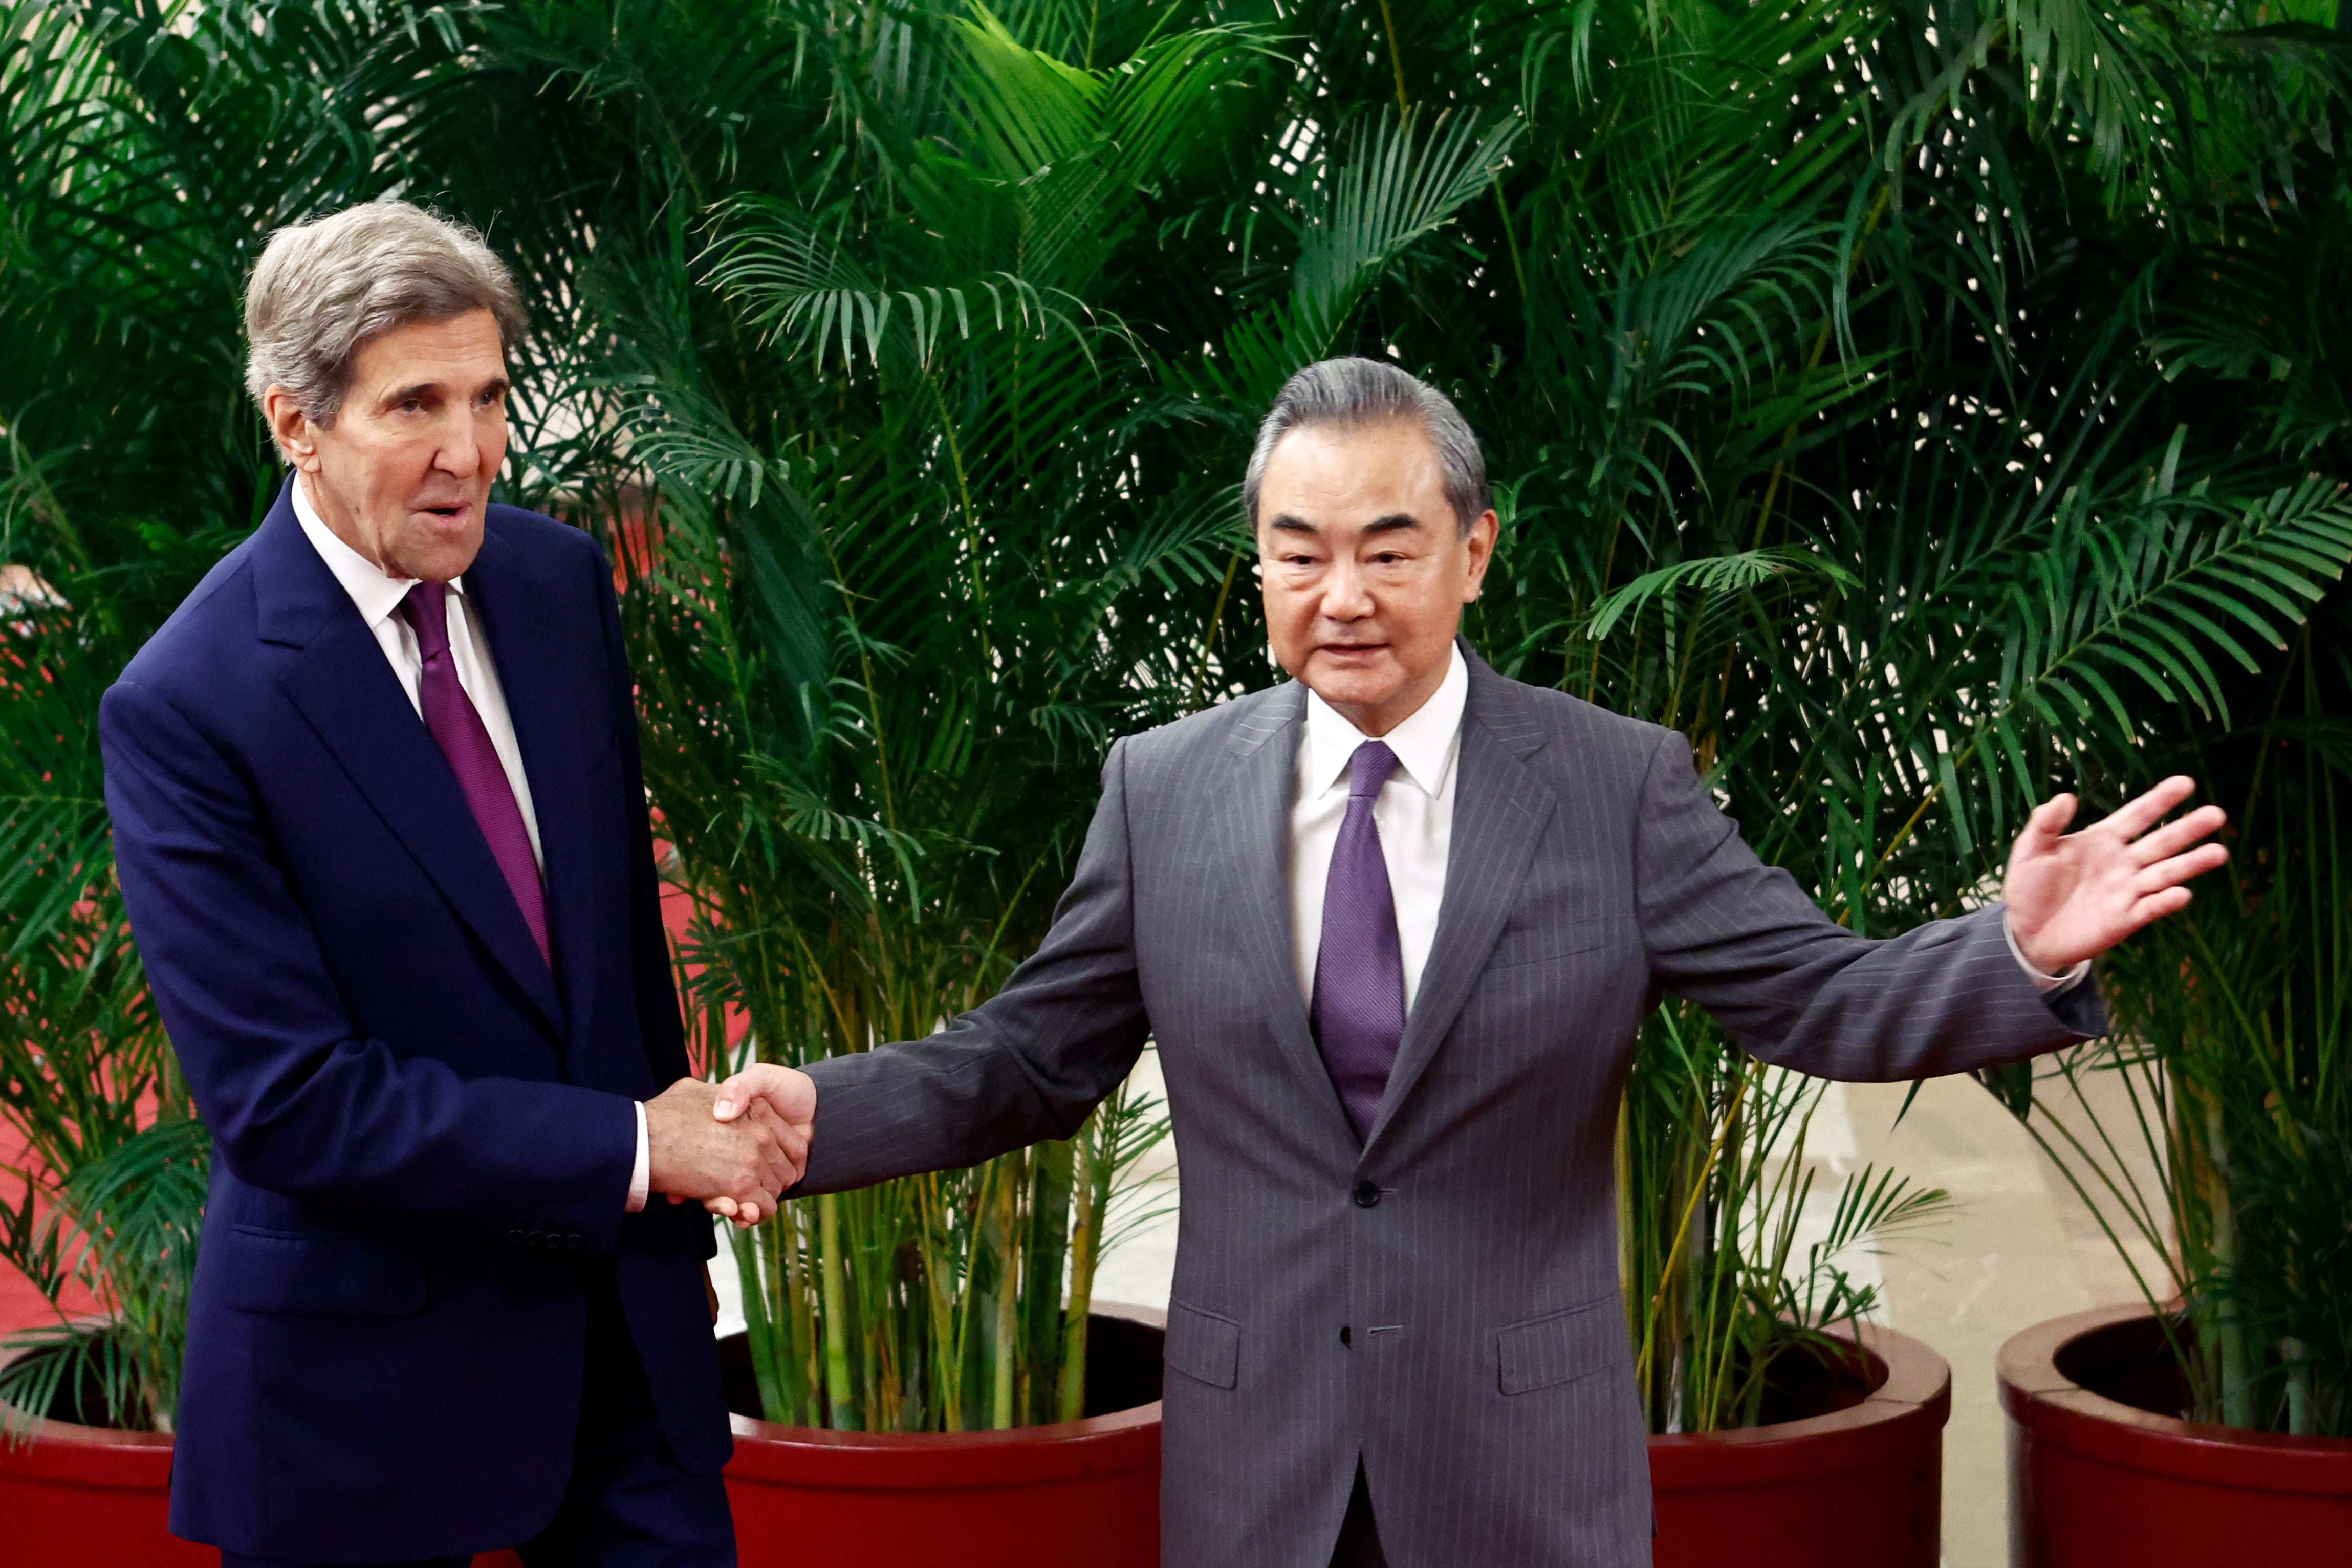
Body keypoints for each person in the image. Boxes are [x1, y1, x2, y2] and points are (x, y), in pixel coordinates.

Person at [716, 356, 2228, 1567]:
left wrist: (2013, 945)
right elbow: (1032, 1058)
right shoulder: (1160, 788)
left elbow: (1810, 995)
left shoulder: (1610, 784)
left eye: (1389, 547)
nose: (1343, 595)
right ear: (1256, 569)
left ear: (1474, 551)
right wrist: (817, 1115)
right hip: (1260, 1469)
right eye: (1296, 554)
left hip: (1521, 1463)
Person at [101, 200, 810, 1568]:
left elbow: (611, 959)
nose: (469, 454)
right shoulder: (189, 706)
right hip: (363, 1406)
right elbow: (291, 1105)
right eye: (414, 405)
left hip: (624, 1357)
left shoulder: (553, 582)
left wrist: (688, 1159)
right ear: (293, 423)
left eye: (487, 398)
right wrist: (639, 1150)